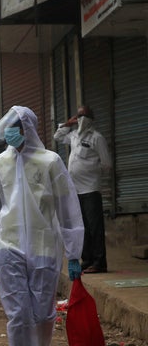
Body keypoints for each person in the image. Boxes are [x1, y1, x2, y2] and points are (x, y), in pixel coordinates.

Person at [0, 106, 84, 346]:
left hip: (43, 248)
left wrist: (74, 252)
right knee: (18, 315)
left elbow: (68, 209)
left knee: (42, 313)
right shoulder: (0, 163)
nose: (9, 132)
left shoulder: (50, 162)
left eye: (14, 126)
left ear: (27, 127)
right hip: (8, 246)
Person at [54, 105, 111, 274]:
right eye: (78, 116)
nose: (81, 119)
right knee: (82, 226)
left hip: (91, 188)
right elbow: (57, 136)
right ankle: (87, 259)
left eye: (84, 115)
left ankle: (99, 262)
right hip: (75, 190)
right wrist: (67, 123)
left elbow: (107, 163)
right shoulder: (73, 136)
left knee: (95, 227)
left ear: (92, 119)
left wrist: (90, 171)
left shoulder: (97, 138)